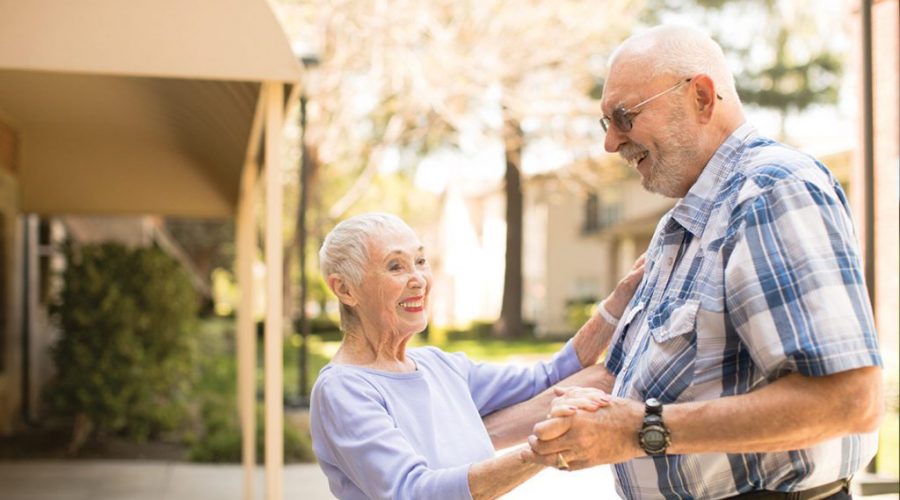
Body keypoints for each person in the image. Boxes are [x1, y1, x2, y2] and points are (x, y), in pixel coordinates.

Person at [522, 24, 884, 500]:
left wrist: (640, 430)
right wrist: (466, 441)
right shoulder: (688, 218)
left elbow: (848, 401)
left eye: (624, 116)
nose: (611, 144)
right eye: (605, 124)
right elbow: (616, 377)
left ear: (702, 97)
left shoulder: (770, 190)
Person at [309, 212, 644, 500]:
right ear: (344, 289)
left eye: (421, 261)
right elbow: (413, 492)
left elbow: (547, 376)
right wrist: (542, 452)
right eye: (395, 266)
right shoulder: (344, 389)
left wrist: (620, 299)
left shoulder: (440, 366)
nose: (418, 280)